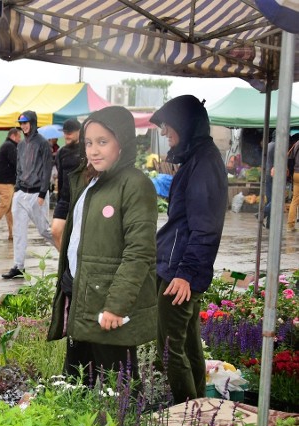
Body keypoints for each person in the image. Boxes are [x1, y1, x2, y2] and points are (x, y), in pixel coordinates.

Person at [48, 106, 157, 383]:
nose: (93, 150)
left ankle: (131, 425)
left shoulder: (134, 185)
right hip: (81, 296)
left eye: (102, 142)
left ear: (123, 142)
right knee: (75, 384)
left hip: (107, 306)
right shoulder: (90, 181)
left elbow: (139, 251)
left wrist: (116, 305)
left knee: (119, 388)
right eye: (88, 142)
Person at [150, 95, 227, 403]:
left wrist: (185, 274)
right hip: (177, 268)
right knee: (189, 346)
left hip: (180, 273)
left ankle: (186, 413)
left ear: (187, 125)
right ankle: (200, 409)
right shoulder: (198, 157)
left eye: (170, 129)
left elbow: (205, 227)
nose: (167, 136)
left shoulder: (204, 163)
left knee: (168, 350)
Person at [2, 110, 55, 279]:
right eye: (21, 123)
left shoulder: (43, 144)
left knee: (45, 230)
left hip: (37, 194)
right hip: (21, 193)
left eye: (26, 123)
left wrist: (42, 193)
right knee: (18, 230)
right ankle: (18, 265)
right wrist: (17, 188)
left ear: (32, 123)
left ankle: (66, 252)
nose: (23, 126)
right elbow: (19, 168)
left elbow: (47, 169)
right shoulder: (21, 145)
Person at [50, 118, 82, 249]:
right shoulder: (62, 152)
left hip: (81, 198)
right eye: (65, 132)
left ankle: (74, 265)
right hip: (65, 199)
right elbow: (61, 177)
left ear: (79, 132)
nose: (66, 135)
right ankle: (66, 263)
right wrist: (59, 200)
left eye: (70, 132)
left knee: (78, 236)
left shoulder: (87, 149)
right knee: (55, 231)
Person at [286, 138, 299, 232]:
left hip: (296, 173)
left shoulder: (296, 144)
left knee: (295, 199)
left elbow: (290, 158)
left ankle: (290, 225)